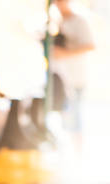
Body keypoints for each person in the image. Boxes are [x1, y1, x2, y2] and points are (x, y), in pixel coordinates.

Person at [51, 0, 94, 155]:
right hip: (59, 78)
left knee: (74, 117)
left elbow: (90, 46)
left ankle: (78, 154)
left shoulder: (80, 21)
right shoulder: (56, 21)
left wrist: (65, 53)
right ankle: (68, 153)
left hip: (75, 78)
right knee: (64, 117)